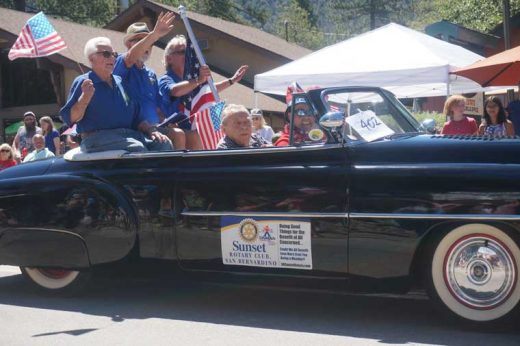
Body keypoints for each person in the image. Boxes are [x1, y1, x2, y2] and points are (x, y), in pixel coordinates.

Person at [60, 37, 172, 153]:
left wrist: (151, 130)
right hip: (96, 138)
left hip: (128, 135)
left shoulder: (120, 81)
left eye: (114, 54)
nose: (112, 58)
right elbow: (71, 118)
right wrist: (84, 98)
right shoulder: (83, 82)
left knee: (163, 144)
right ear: (91, 58)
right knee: (137, 149)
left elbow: (137, 117)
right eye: (106, 54)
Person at [159, 34, 248, 149]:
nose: (187, 56)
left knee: (220, 131)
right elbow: (175, 91)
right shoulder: (166, 79)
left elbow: (205, 91)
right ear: (169, 58)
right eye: (182, 52)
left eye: (188, 52)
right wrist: (198, 80)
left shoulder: (191, 78)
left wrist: (231, 81)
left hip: (192, 126)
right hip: (175, 127)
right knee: (199, 136)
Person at [113, 14, 186, 150]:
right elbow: (130, 58)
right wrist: (154, 35)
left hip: (154, 127)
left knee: (182, 134)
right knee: (163, 143)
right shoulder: (121, 62)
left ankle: (185, 171)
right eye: (141, 40)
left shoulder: (151, 74)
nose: (147, 45)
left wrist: (166, 121)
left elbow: (157, 107)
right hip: (133, 128)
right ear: (129, 44)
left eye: (149, 42)